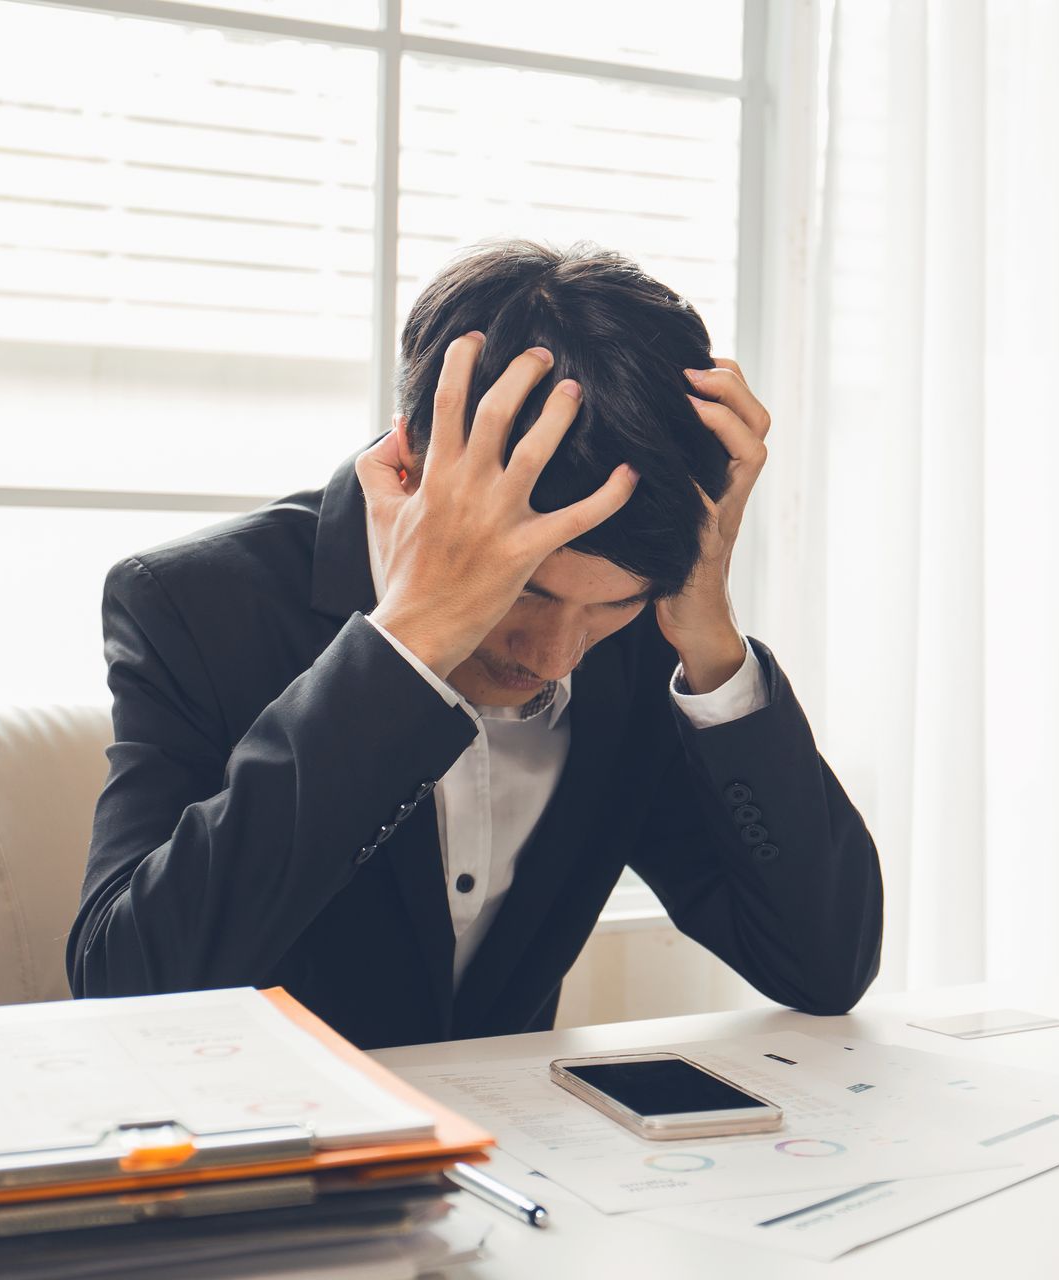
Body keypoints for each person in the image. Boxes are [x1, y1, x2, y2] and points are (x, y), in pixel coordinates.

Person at [67, 240, 882, 1049]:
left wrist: (709, 637)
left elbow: (823, 966)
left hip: (518, 1162)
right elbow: (127, 986)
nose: (559, 656)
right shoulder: (196, 605)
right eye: (525, 589)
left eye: (611, 606)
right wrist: (407, 648)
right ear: (417, 466)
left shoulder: (644, 644)